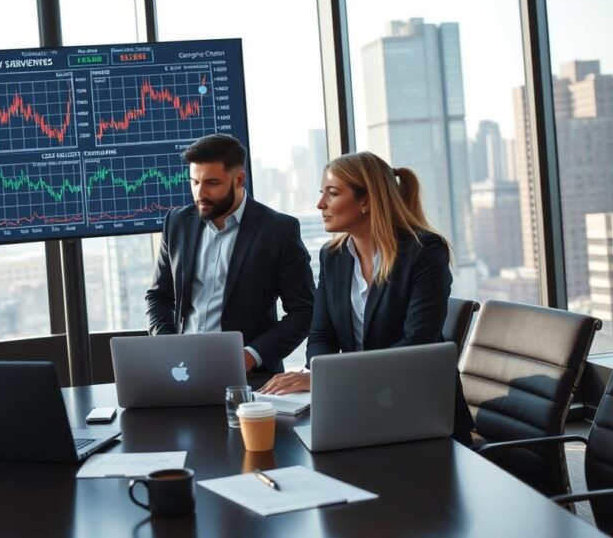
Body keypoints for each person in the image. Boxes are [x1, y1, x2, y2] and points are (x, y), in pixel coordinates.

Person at [259, 151, 474, 441]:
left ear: (366, 200)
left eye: (332, 194)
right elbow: (321, 334)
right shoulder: (333, 256)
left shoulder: (423, 251)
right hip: (363, 403)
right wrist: (323, 378)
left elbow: (416, 343)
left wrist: (334, 381)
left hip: (420, 404)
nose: (320, 204)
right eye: (322, 194)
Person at [145, 134, 315, 375]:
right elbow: (158, 297)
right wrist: (168, 345)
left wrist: (251, 355)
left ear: (239, 179)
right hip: (181, 371)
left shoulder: (278, 230)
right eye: (194, 182)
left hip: (251, 376)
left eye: (212, 183)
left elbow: (304, 311)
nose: (200, 193)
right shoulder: (176, 223)